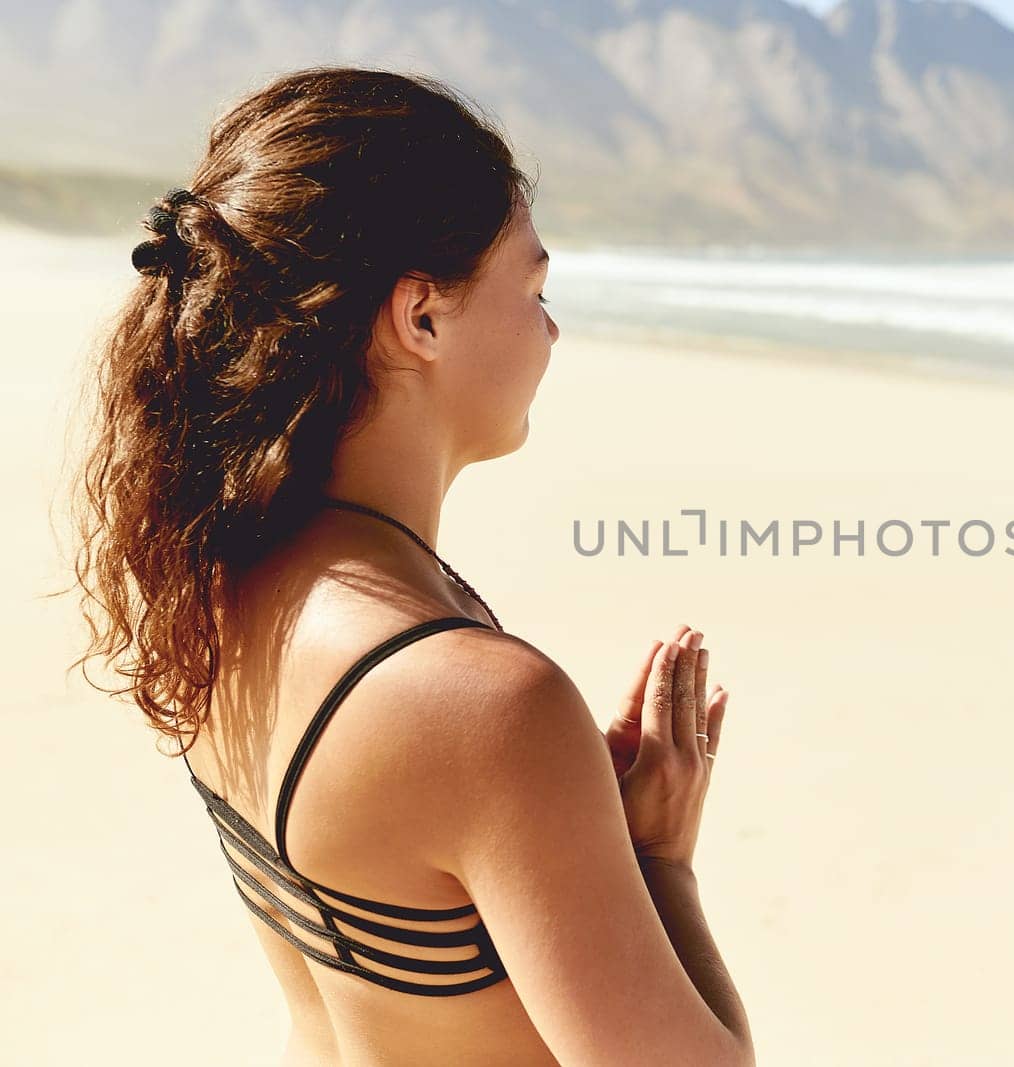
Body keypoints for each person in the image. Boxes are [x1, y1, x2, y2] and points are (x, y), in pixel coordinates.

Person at [61, 65, 754, 1066]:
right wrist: (660, 863)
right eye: (535, 287)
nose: (551, 327)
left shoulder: (219, 582)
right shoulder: (481, 702)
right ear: (421, 315)